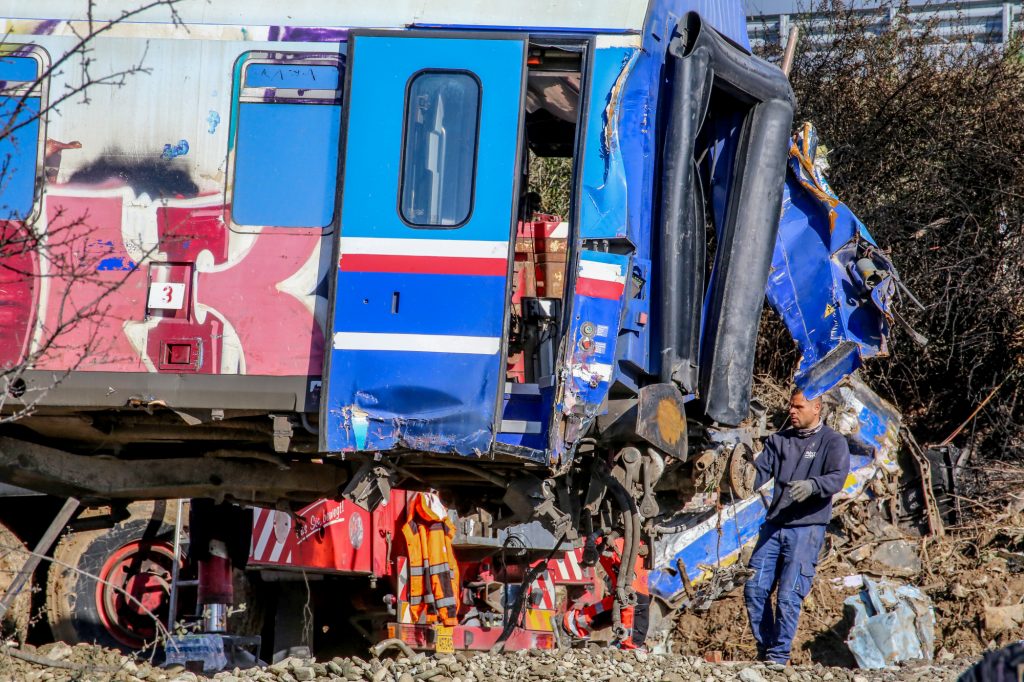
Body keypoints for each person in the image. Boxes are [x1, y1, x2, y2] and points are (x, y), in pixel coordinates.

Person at [743, 389, 850, 664]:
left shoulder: (833, 442)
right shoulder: (780, 441)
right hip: (774, 526)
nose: (792, 411)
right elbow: (754, 477)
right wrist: (734, 474)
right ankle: (766, 650)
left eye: (799, 407)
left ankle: (778, 658)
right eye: (791, 406)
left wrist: (813, 485)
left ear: (817, 408)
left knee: (789, 595)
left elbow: (837, 478)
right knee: (754, 588)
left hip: (807, 528)